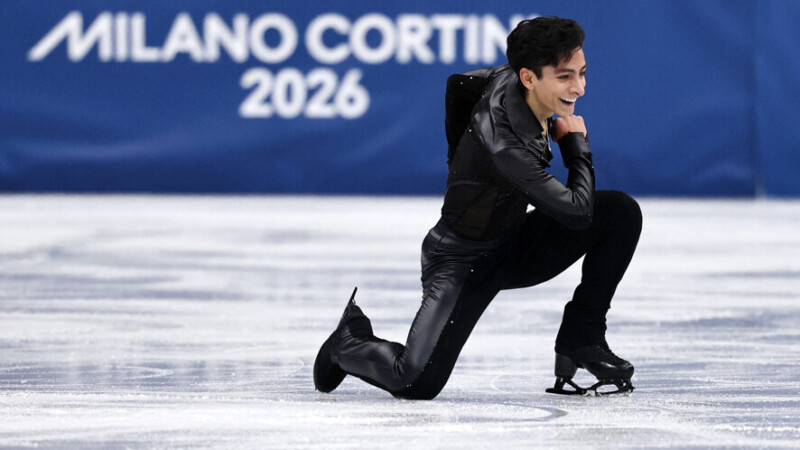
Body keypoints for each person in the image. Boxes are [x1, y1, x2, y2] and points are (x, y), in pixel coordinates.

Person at [314, 16, 642, 399]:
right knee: (415, 381)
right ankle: (349, 340)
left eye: (582, 74)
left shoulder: (504, 78)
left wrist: (459, 157)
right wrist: (576, 147)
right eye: (566, 77)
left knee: (619, 213)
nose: (580, 88)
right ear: (529, 78)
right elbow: (576, 212)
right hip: (460, 262)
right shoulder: (506, 148)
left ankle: (582, 337)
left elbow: (460, 84)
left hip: (512, 243)